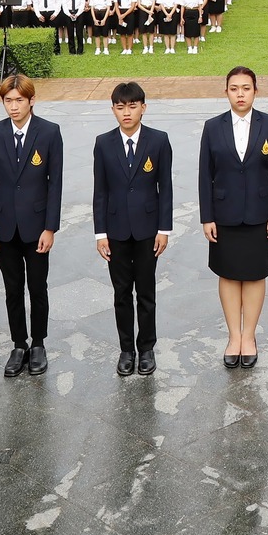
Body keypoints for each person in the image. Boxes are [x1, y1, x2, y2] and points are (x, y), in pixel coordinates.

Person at [198, 67, 268, 368]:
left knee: (255, 274)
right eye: (234, 88)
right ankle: (233, 336)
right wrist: (206, 216)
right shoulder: (212, 127)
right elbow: (204, 175)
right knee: (229, 273)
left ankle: (249, 336)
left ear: (255, 91)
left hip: (259, 214)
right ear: (226, 92)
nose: (240, 94)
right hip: (224, 213)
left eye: (246, 88)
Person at [0, 73, 63, 377]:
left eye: (19, 100)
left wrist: (49, 228)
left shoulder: (49, 132)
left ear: (31, 100)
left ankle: (39, 342)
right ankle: (19, 343)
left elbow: (54, 183)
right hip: (4, 225)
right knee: (12, 288)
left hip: (36, 225)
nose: (13, 107)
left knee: (37, 286)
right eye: (7, 101)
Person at [92, 81, 173, 377]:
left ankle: (147, 348)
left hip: (148, 230)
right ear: (113, 109)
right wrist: (100, 233)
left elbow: (166, 187)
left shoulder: (158, 141)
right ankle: (127, 348)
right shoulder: (103, 143)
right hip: (115, 230)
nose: (127, 112)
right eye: (120, 107)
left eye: (132, 106)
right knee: (121, 292)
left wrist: (164, 228)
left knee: (146, 291)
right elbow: (99, 191)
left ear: (143, 108)